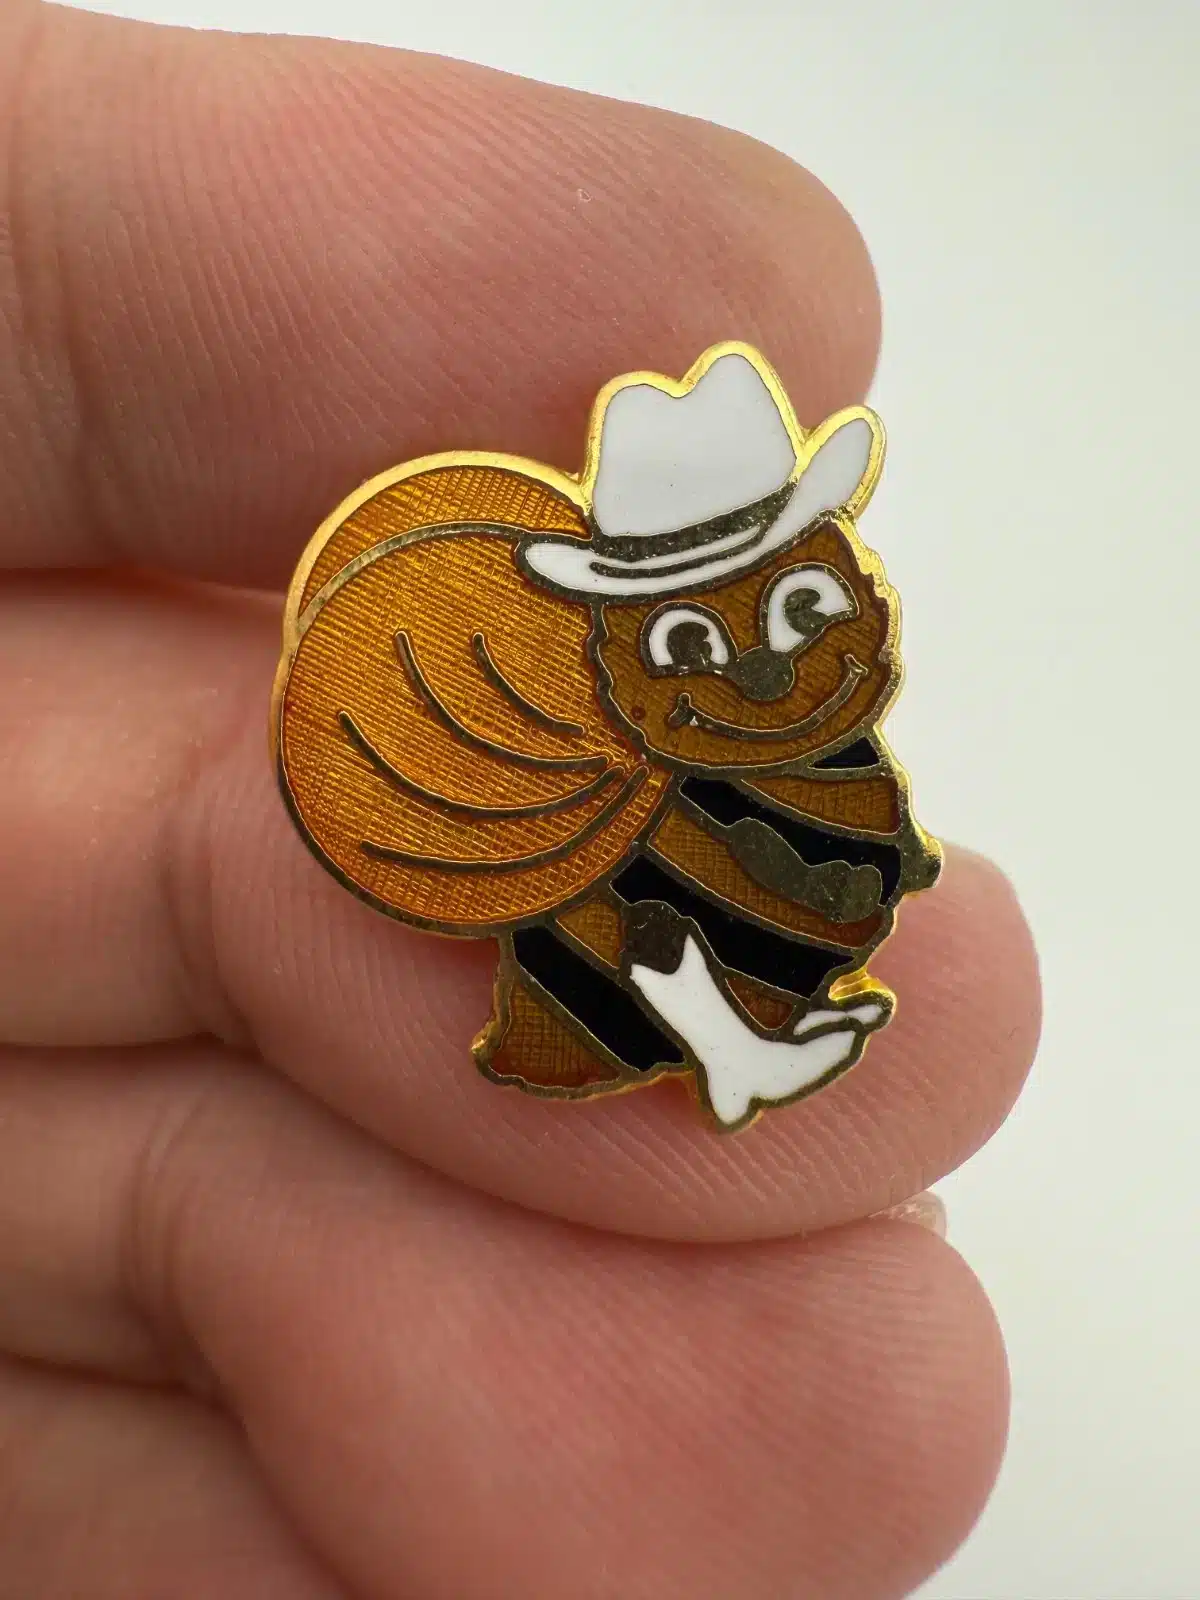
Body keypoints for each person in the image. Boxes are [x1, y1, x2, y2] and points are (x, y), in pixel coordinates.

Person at [0, 4, 1041, 1595]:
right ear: (627, 649)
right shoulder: (625, 793)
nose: (769, 663)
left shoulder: (795, 762)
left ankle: (749, 1038)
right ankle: (731, 1052)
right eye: (700, 639)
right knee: (646, 915)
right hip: (610, 918)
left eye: (802, 610)